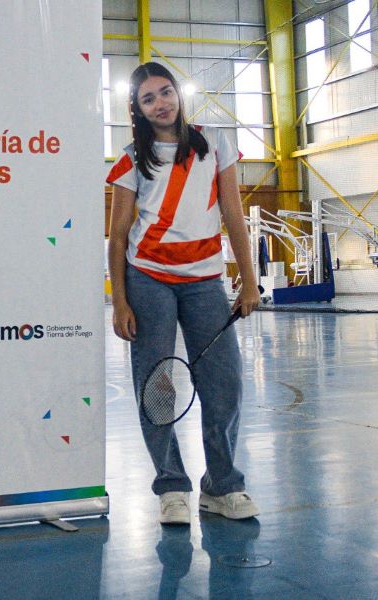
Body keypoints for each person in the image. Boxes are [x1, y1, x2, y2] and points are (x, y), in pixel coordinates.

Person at [106, 62, 260, 525]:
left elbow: (234, 216)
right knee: (157, 386)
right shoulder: (133, 157)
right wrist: (120, 300)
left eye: (165, 92)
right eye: (148, 98)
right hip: (147, 278)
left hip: (205, 281)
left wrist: (248, 280)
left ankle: (222, 485)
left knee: (225, 383)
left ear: (178, 94)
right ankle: (171, 486)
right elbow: (117, 236)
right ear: (137, 108)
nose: (160, 103)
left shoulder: (216, 144)